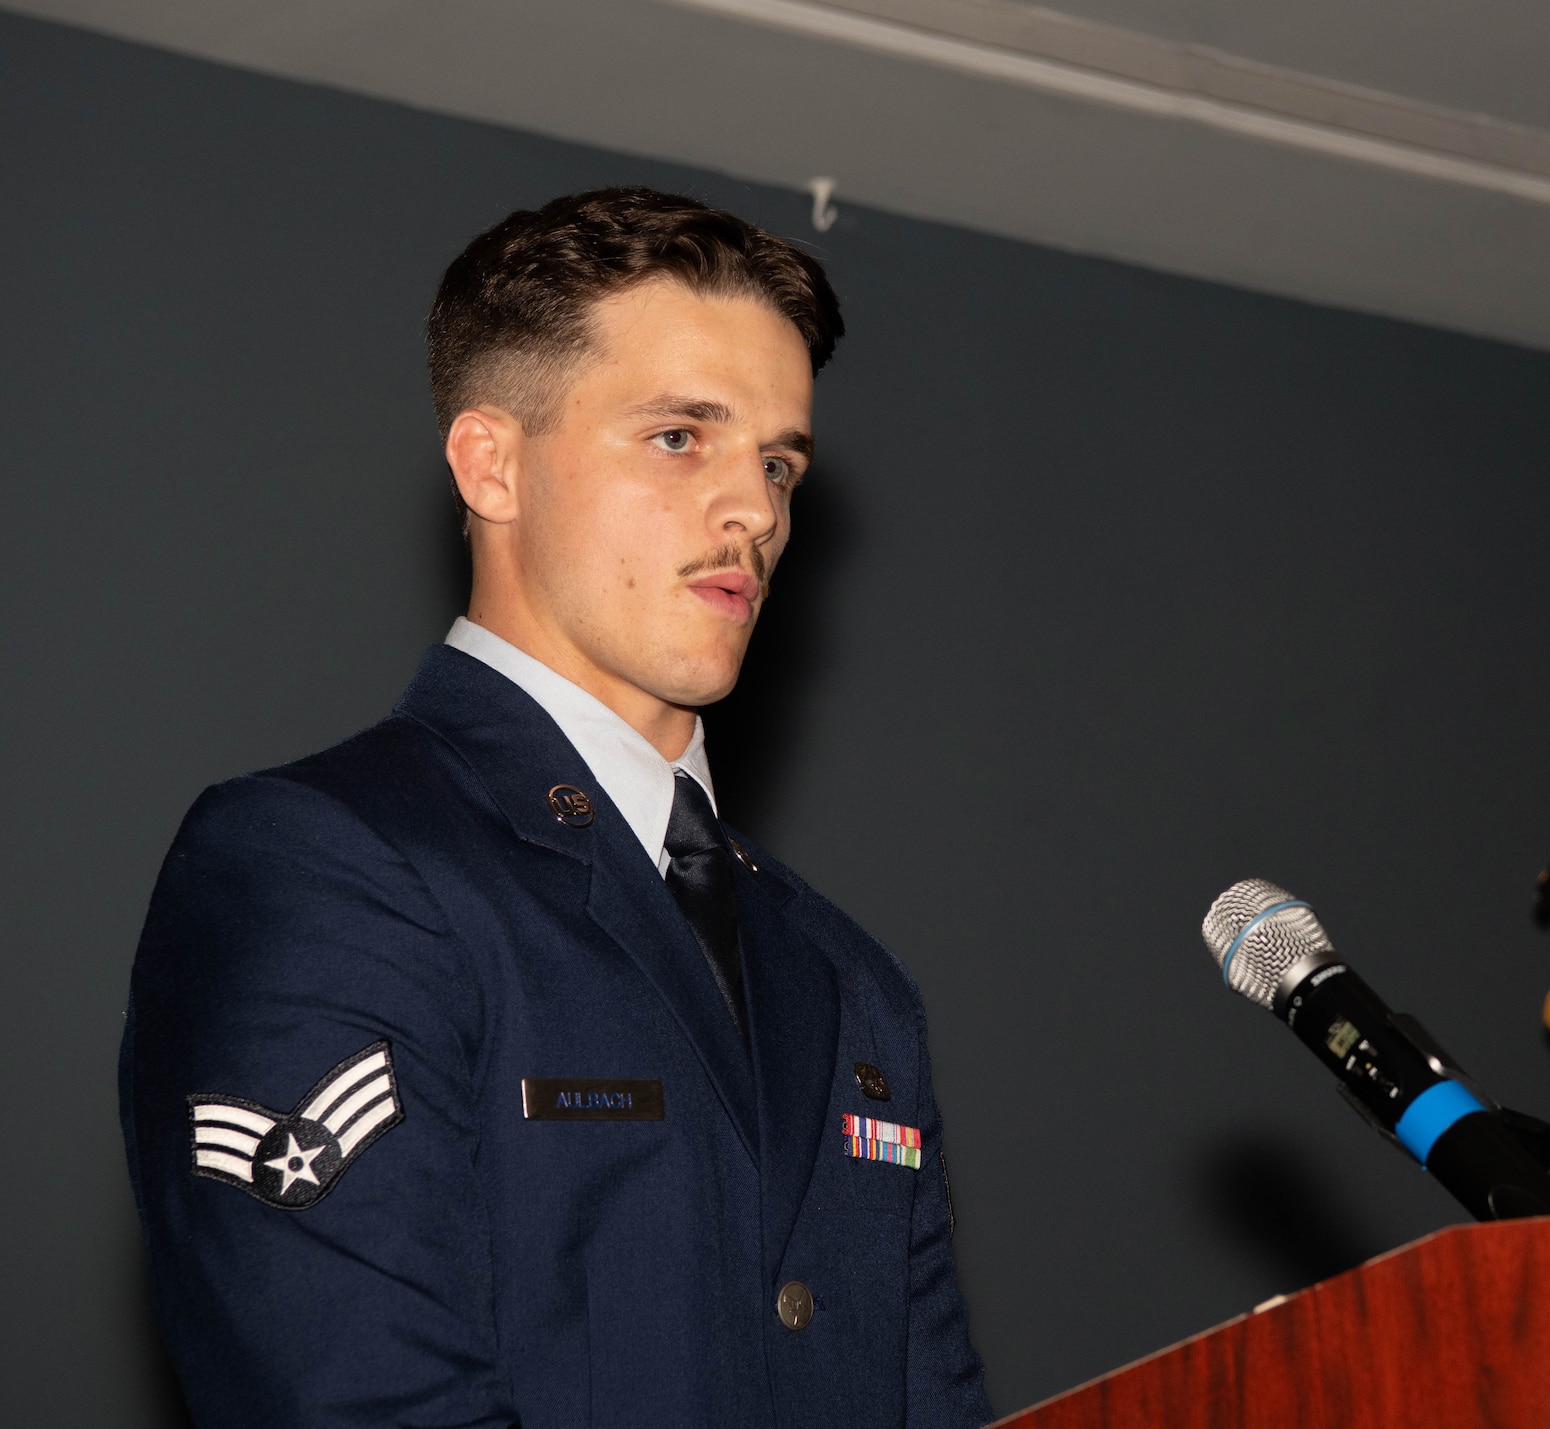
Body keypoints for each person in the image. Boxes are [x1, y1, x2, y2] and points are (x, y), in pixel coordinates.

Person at [119, 187, 992, 1429]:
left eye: (778, 461)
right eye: (682, 437)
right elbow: (351, 1400)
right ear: (491, 463)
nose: (754, 508)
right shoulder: (324, 864)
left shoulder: (847, 976)